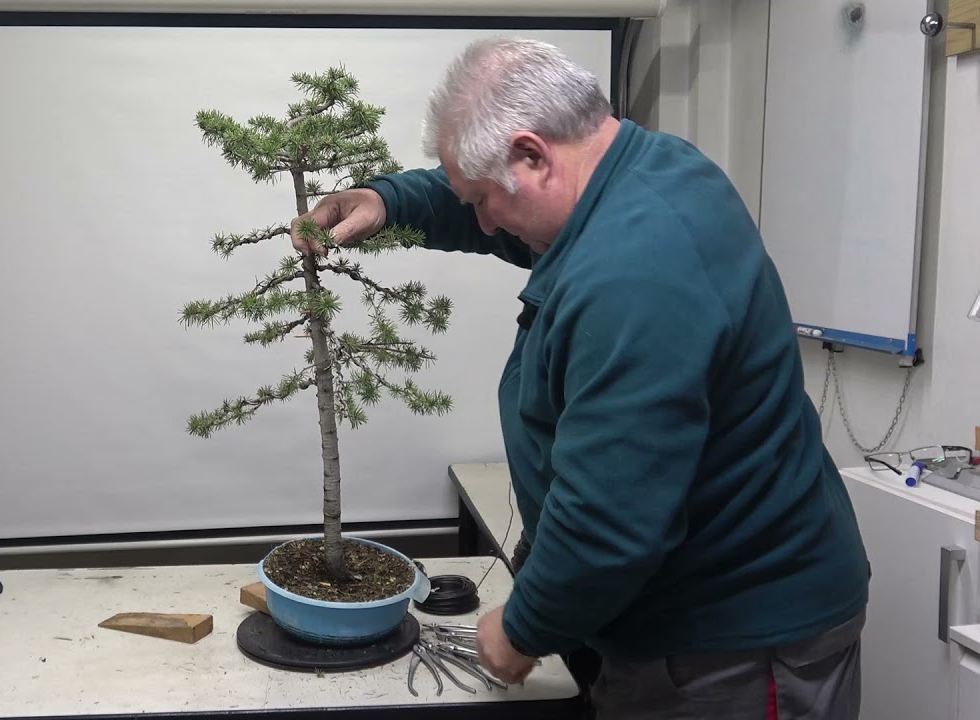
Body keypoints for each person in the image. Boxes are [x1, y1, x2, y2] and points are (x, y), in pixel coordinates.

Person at [289, 38, 869, 719]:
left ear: (533, 155)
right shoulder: (643, 171)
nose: (483, 222)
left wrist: (522, 629)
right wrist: (389, 201)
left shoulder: (636, 270)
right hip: (686, 617)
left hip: (732, 644)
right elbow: (502, 211)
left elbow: (611, 517)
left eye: (483, 199)